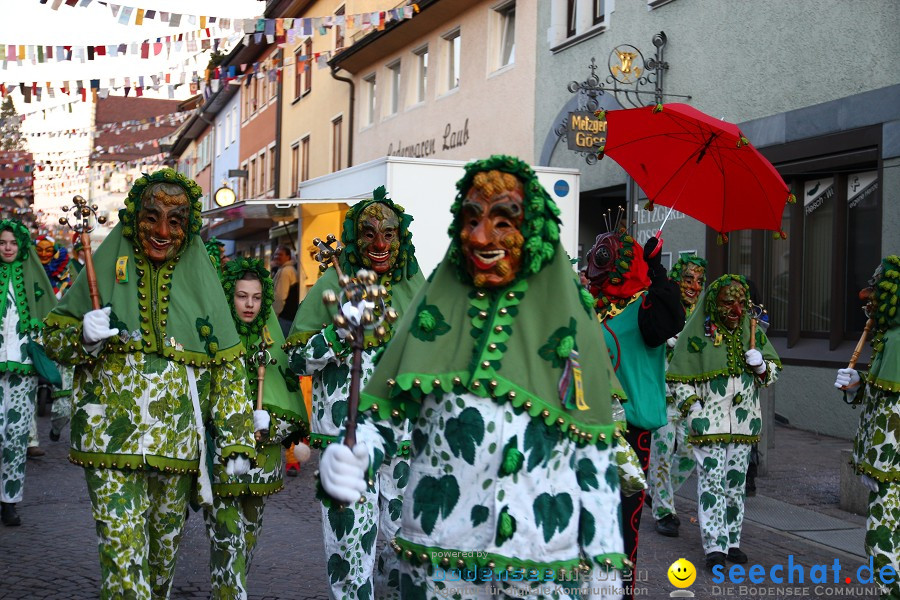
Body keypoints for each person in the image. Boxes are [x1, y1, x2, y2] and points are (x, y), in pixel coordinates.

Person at [319, 156, 630, 599]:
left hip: (542, 554)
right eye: (472, 220)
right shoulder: (434, 307)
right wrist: (353, 457)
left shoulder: (571, 319)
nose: (483, 237)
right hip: (439, 554)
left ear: (534, 229)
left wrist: (604, 564)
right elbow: (383, 418)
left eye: (504, 222)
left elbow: (594, 453)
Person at [42, 168, 256, 599]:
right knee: (123, 558)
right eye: (152, 217)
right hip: (109, 440)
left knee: (160, 563)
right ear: (134, 217)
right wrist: (82, 334)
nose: (161, 231)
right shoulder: (106, 267)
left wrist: (236, 441)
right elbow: (54, 337)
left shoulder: (202, 280)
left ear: (188, 227)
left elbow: (227, 367)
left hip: (176, 446)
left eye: (175, 221)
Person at [284, 186, 424, 600]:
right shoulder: (332, 283)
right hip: (346, 442)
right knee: (350, 546)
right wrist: (339, 332)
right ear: (352, 238)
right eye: (368, 233)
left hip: (403, 439)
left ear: (401, 239)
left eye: (389, 234)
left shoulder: (416, 286)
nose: (379, 244)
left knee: (406, 543)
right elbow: (295, 361)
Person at [583, 228, 685, 595]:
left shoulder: (644, 307)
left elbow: (672, 318)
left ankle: (622, 589)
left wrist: (656, 268)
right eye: (597, 253)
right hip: (588, 425)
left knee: (623, 518)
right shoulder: (594, 307)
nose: (596, 262)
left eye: (605, 256)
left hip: (630, 430)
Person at [204, 257, 308, 600]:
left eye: (257, 297)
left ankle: (231, 588)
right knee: (226, 533)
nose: (249, 304)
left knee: (248, 534)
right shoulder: (213, 340)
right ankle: (231, 595)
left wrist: (272, 424)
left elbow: (290, 401)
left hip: (262, 462)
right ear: (228, 298)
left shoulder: (271, 341)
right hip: (222, 456)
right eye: (241, 296)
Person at [668, 274, 780, 570]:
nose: (736, 309)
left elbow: (772, 374)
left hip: (744, 426)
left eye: (741, 303)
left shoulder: (752, 329)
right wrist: (694, 413)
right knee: (711, 483)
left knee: (735, 484)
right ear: (715, 303)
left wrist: (761, 366)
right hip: (709, 424)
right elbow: (678, 379)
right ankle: (713, 544)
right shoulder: (697, 334)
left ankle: (732, 540)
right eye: (729, 302)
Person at [834, 255, 900, 598]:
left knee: (881, 537)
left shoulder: (897, 339)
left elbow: (892, 412)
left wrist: (876, 464)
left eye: (875, 287)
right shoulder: (889, 336)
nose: (866, 294)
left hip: (892, 468)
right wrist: (859, 382)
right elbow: (881, 394)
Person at [0, 219, 57, 526]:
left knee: (15, 437)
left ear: (20, 246)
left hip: (23, 369)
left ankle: (9, 502)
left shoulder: (32, 272)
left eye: (12, 243)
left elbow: (49, 310)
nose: (8, 248)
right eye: (2, 242)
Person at [647, 254, 707, 537]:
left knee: (687, 453)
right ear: (677, 280)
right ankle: (664, 512)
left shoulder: (703, 316)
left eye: (699, 281)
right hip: (662, 394)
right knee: (660, 452)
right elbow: (646, 338)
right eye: (688, 279)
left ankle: (657, 493)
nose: (693, 286)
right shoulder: (664, 306)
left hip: (690, 398)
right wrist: (665, 339)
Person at [271, 245, 300, 336]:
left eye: (280, 254)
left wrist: (274, 315)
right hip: (288, 317)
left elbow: (280, 296)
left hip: (284, 317)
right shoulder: (287, 269)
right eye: (275, 255)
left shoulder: (286, 271)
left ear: (288, 257)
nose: (276, 257)